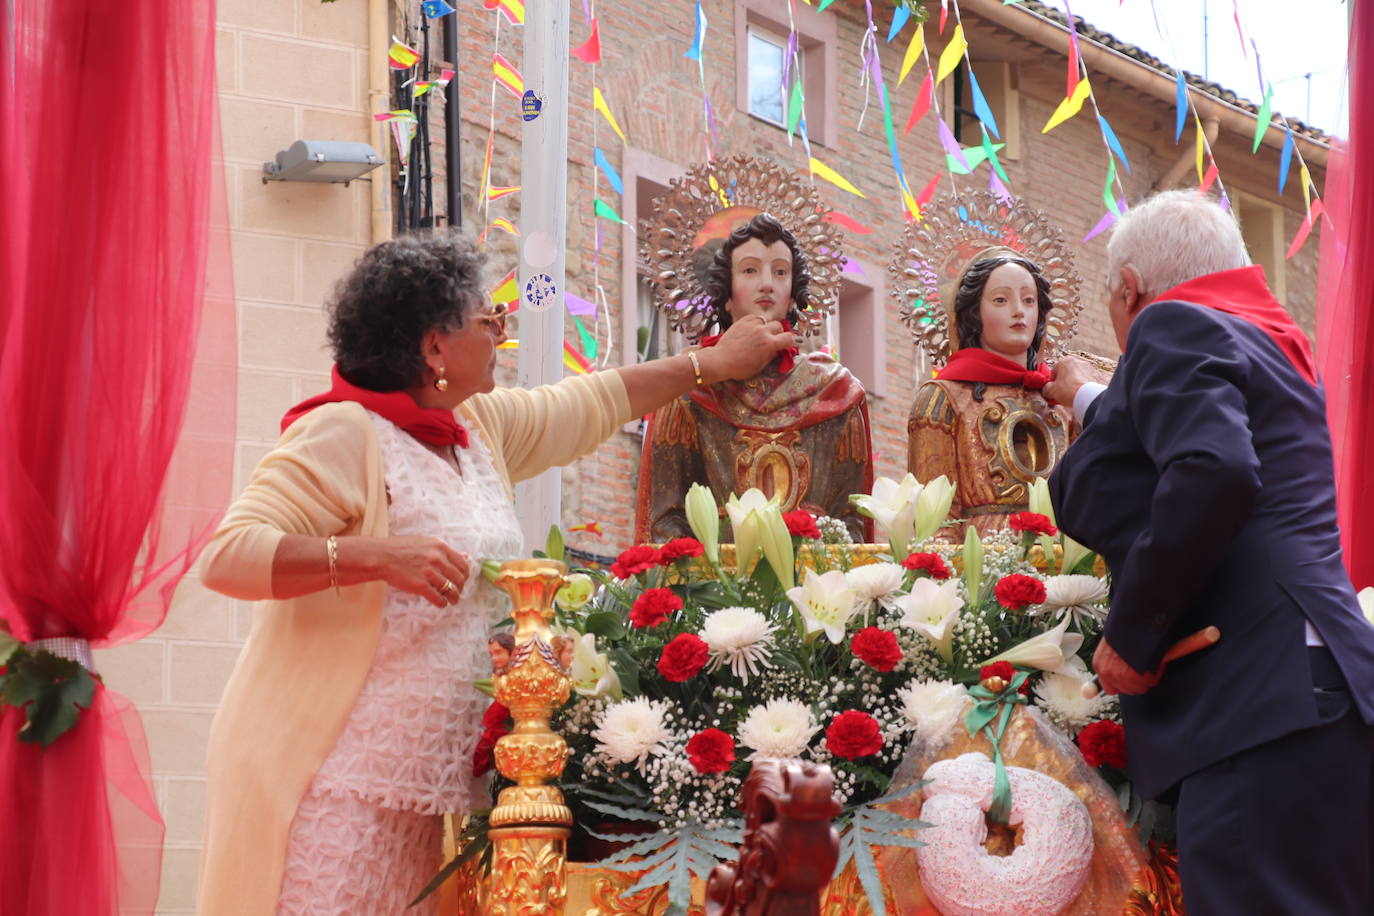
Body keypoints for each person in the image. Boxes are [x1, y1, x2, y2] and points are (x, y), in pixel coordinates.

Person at [195, 230, 792, 916]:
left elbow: (592, 402)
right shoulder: (341, 432)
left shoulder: (475, 426)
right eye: (490, 321)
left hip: (446, 793)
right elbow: (229, 555)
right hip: (341, 786)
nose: (502, 336)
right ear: (434, 348)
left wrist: (709, 365)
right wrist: (374, 556)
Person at [1045, 190, 1374, 915]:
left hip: (1252, 704)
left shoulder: (1171, 322)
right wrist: (1092, 399)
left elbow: (1212, 469)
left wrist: (1131, 634)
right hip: (1321, 693)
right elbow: (1184, 437)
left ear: (1128, 289)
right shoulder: (1269, 339)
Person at [634, 213, 873, 543]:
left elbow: (850, 524)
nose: (766, 283)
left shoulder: (834, 392)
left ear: (792, 295)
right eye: (749, 270)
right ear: (727, 294)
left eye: (780, 272)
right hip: (716, 585)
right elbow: (665, 522)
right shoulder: (690, 388)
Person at [907, 247, 1076, 536]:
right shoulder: (943, 398)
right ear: (974, 312)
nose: (1018, 311)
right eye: (1001, 300)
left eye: (1028, 300)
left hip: (1061, 561)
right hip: (980, 561)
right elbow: (934, 522)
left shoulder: (1061, 401)